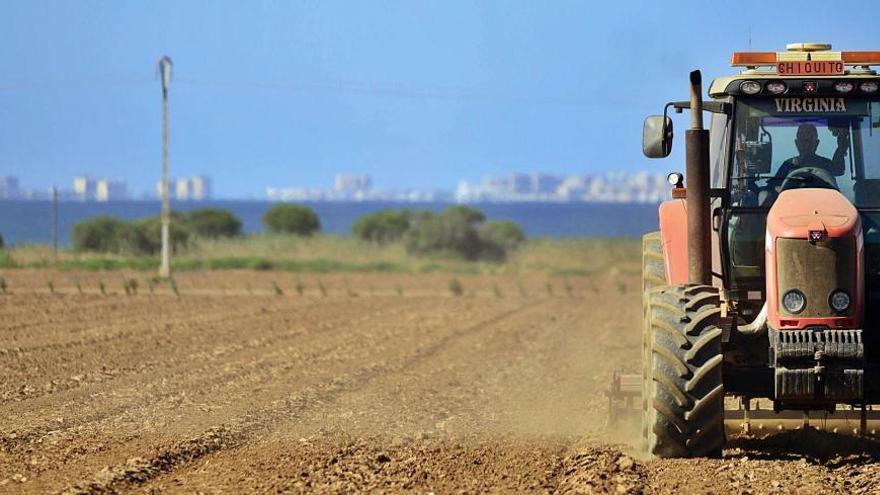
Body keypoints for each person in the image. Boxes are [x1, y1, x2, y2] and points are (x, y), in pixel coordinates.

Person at [775, 123, 847, 179]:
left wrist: (841, 148)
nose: (807, 145)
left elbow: (838, 170)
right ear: (796, 143)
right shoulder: (787, 166)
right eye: (803, 141)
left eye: (810, 141)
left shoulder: (825, 164)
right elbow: (773, 188)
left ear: (817, 143)